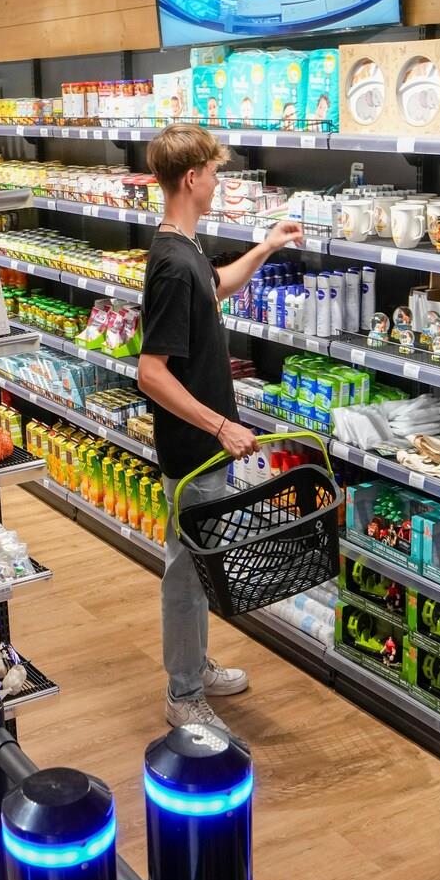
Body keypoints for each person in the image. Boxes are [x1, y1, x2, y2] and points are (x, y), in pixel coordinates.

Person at [136, 124, 303, 731]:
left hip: (204, 447)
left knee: (200, 561)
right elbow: (151, 373)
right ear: (192, 178)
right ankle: (182, 693)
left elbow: (218, 286)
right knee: (186, 572)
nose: (217, 182)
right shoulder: (172, 265)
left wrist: (266, 247)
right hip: (192, 448)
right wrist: (219, 426)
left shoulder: (186, 250)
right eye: (214, 172)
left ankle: (195, 666)